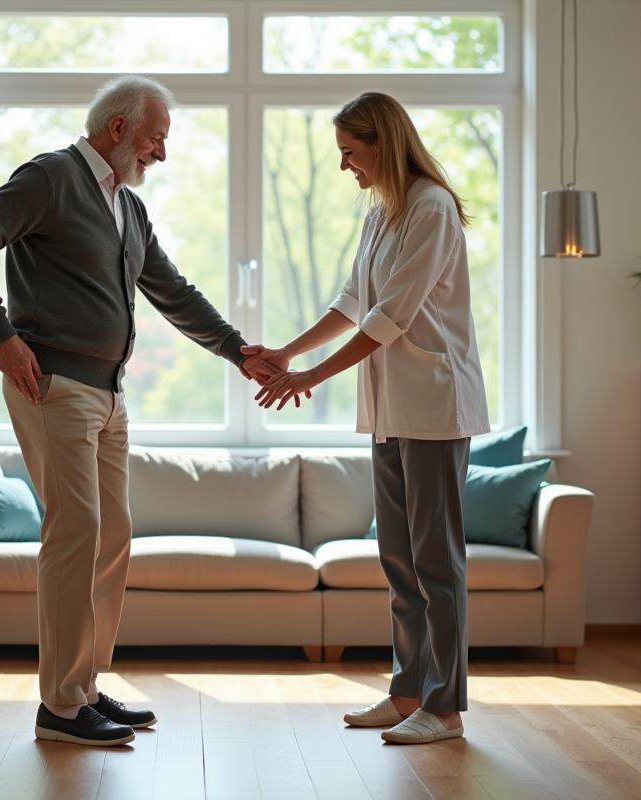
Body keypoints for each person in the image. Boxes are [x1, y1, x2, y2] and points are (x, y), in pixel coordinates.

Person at [0, 75, 277, 748]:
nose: (161, 154)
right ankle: (60, 706)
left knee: (111, 535)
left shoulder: (126, 206)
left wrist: (239, 351)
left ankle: (85, 685)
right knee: (77, 532)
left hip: (109, 395)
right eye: (156, 139)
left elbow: (171, 290)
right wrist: (2, 336)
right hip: (54, 385)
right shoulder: (50, 178)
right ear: (119, 129)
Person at [250, 91, 489, 745]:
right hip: (389, 411)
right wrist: (286, 353)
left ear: (383, 141)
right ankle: (408, 690)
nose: (345, 166)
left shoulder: (432, 209)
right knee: (400, 561)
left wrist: (310, 378)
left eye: (351, 153)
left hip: (436, 407)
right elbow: (355, 302)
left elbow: (391, 320)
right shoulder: (382, 214)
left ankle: (444, 709)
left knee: (437, 563)